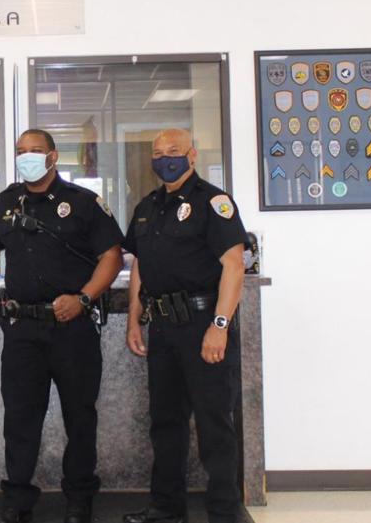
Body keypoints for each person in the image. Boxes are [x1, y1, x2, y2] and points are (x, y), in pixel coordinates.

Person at [0, 129, 124, 523]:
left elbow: (111, 258)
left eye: (35, 151)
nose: (27, 157)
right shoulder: (8, 200)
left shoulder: (82, 203)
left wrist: (82, 299)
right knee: (20, 418)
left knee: (79, 416)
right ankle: (17, 500)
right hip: (22, 329)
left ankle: (79, 499)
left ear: (53, 157)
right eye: (21, 152)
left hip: (73, 328)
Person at [121, 129, 247, 523]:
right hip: (161, 327)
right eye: (157, 153)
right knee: (165, 422)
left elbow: (234, 265)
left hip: (202, 323)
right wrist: (134, 318)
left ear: (192, 154)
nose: (164, 158)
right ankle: (166, 507)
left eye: (173, 151)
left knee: (214, 422)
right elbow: (140, 264)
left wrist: (220, 326)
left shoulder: (214, 201)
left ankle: (227, 511)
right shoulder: (148, 206)